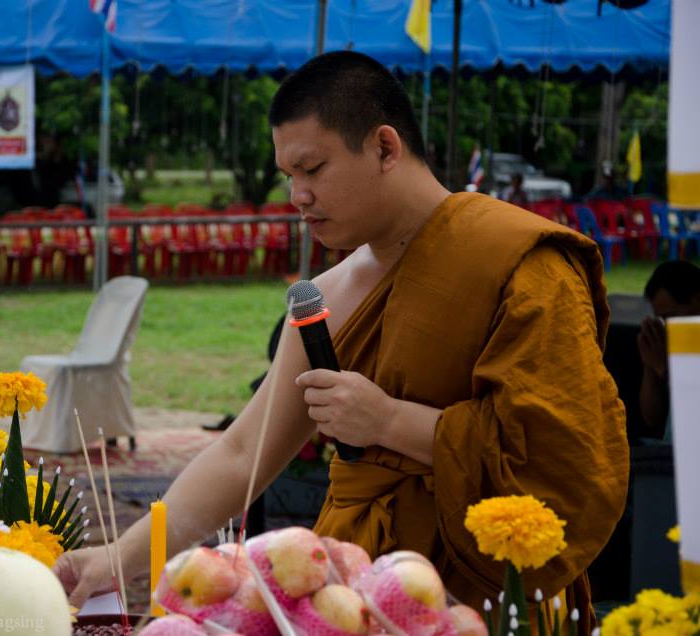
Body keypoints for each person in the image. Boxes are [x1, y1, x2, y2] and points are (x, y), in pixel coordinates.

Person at [54, 51, 627, 630]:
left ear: (384, 147)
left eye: (313, 168)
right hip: (345, 596)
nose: (297, 194)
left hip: (483, 597)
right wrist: (119, 555)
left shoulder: (518, 262)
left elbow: (569, 459)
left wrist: (390, 422)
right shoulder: (324, 295)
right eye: (288, 176)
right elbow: (241, 453)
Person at [638, 260, 700, 438]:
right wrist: (649, 365)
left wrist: (663, 369)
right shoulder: (679, 340)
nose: (668, 325)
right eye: (663, 319)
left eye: (671, 316)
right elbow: (652, 419)